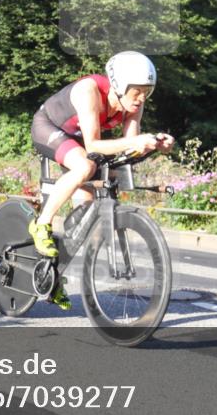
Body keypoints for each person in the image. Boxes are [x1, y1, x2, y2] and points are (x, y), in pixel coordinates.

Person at [29, 51, 175, 309]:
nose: (142, 98)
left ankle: (54, 272)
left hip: (79, 140)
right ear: (118, 86)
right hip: (50, 127)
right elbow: (93, 143)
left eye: (147, 92)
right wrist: (136, 141)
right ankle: (41, 224)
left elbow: (130, 150)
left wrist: (154, 144)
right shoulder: (89, 90)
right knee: (84, 166)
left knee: (84, 219)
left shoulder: (132, 105)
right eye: (137, 91)